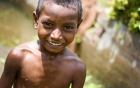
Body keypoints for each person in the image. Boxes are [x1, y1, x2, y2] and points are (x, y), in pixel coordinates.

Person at [0, 0, 86, 88]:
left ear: (77, 26)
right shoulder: (19, 56)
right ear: (36, 20)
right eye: (48, 24)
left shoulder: (77, 68)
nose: (56, 36)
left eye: (67, 27)